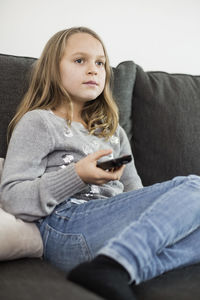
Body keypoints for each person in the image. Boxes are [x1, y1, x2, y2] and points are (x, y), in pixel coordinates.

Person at [1, 26, 200, 300]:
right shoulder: (40, 122)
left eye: (100, 63)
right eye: (80, 60)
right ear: (52, 69)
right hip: (65, 225)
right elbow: (12, 198)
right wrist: (77, 175)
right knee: (195, 187)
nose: (93, 69)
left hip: (113, 229)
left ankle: (116, 267)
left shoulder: (112, 132)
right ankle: (116, 265)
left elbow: (135, 194)